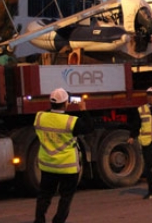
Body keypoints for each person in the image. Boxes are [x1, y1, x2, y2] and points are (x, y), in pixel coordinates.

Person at [34, 88, 93, 223]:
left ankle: (39, 220)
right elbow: (89, 127)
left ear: (51, 103)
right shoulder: (71, 121)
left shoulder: (40, 117)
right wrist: (83, 109)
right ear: (66, 103)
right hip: (68, 167)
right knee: (65, 197)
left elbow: (50, 115)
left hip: (48, 165)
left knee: (44, 196)